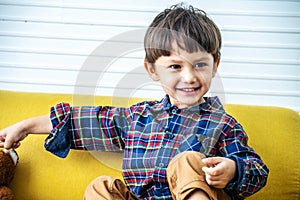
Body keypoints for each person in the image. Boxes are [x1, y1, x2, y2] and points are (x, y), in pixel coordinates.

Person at [0, 3, 268, 200]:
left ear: (215, 65)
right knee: (101, 187)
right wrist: (25, 126)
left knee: (186, 161)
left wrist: (233, 170)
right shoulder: (139, 118)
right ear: (153, 70)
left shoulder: (222, 123)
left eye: (199, 64)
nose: (189, 76)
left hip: (199, 195)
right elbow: (87, 122)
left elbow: (257, 170)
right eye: (175, 66)